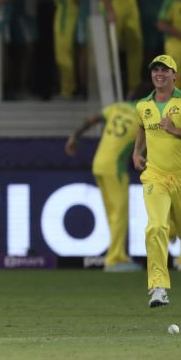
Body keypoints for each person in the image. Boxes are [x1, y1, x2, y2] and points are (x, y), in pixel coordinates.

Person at [133, 54, 181, 308]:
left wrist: (175, 130)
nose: (159, 74)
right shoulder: (143, 106)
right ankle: (158, 287)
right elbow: (142, 128)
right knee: (156, 227)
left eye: (165, 71)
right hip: (155, 175)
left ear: (175, 75)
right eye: (155, 70)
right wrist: (137, 152)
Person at [65, 84, 150, 272]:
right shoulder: (144, 114)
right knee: (120, 213)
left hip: (99, 163)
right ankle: (115, 259)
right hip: (115, 168)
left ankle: (117, 254)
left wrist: (75, 136)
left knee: (112, 213)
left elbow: (91, 120)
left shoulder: (116, 107)